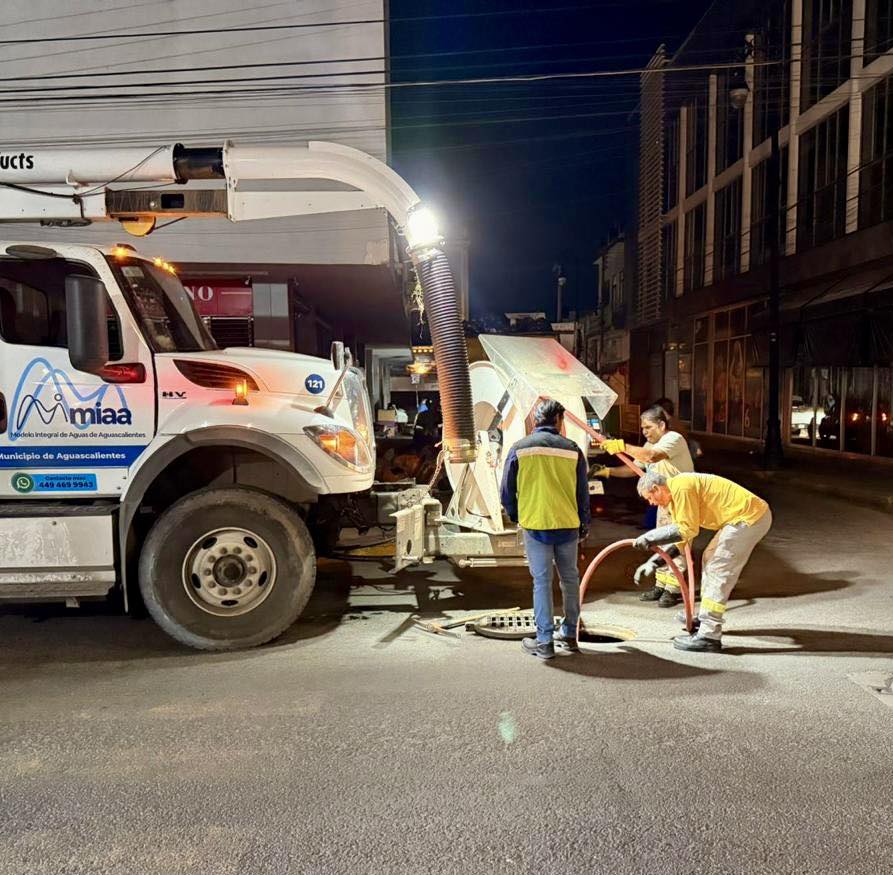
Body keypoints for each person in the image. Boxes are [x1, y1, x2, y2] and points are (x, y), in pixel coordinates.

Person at [634, 470, 772, 652]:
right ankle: (705, 615)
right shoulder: (676, 497)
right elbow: (680, 541)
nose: (651, 504)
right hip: (741, 518)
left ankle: (709, 635)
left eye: (650, 498)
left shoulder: (681, 488)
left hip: (748, 518)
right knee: (710, 557)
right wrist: (654, 562)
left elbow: (687, 530)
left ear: (656, 488)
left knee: (718, 568)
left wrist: (650, 537)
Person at [500, 399, 590, 660]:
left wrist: (518, 515)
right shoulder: (572, 449)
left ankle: (545, 642)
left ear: (535, 421)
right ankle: (571, 636)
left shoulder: (520, 448)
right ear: (559, 420)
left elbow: (506, 491)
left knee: (541, 582)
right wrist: (584, 524)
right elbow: (582, 493)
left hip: (536, 525)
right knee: (570, 580)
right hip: (567, 525)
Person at [591, 405, 694, 607]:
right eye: (643, 428)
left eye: (648, 427)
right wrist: (606, 472)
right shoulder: (649, 444)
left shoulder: (673, 439)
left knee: (677, 545)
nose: (644, 432)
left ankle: (674, 589)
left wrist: (622, 446)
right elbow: (633, 468)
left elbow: (650, 457)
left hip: (682, 500)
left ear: (661, 425)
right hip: (664, 501)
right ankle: (661, 585)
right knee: (661, 543)